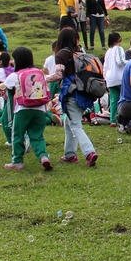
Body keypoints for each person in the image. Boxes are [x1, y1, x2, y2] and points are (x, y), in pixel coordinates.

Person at [49, 27, 98, 166]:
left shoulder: (61, 55)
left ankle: (89, 152)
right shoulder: (81, 52)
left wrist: (40, 78)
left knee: (75, 125)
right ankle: (70, 154)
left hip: (71, 93)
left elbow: (58, 75)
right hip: (84, 92)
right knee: (69, 123)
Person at [1, 46, 52, 171]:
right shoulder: (39, 73)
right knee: (37, 135)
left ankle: (17, 161)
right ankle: (43, 156)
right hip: (40, 109)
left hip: (22, 109)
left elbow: (8, 88)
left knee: (17, 134)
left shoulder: (15, 75)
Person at [103, 32, 127, 126]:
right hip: (119, 77)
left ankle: (113, 120)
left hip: (110, 79)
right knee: (124, 98)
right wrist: (130, 62)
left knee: (113, 100)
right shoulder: (119, 48)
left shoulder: (108, 52)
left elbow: (105, 67)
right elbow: (120, 61)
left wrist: (105, 78)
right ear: (118, 39)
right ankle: (123, 118)